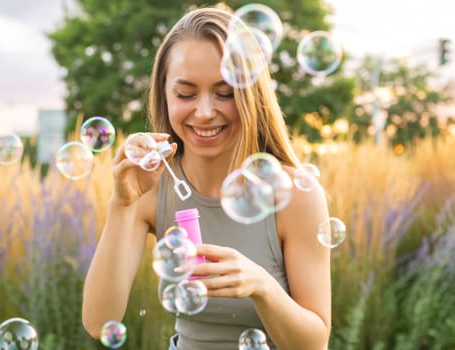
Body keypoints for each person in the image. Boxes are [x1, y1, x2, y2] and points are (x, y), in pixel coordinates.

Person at [82, 5, 331, 350]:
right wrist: (122, 205)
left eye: (225, 93)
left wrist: (262, 286)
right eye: (185, 94)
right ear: (164, 94)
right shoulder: (152, 186)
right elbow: (99, 322)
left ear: (250, 94)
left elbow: (315, 343)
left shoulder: (294, 194)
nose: (204, 112)